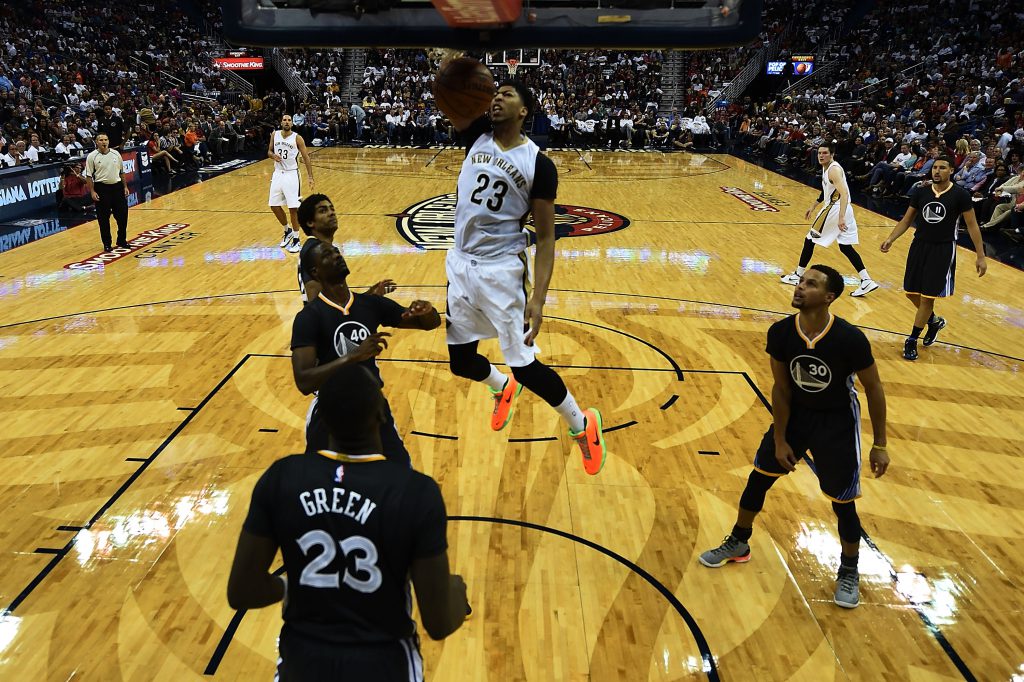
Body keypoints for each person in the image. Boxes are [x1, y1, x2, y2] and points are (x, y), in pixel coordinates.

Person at [227, 364, 469, 681]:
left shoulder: (282, 478)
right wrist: (456, 593)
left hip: (302, 662)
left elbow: (242, 592)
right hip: (384, 663)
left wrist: (287, 588)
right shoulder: (416, 492)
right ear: (382, 416)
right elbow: (438, 623)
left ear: (321, 420)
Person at [438, 72, 607, 476]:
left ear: (524, 110)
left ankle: (582, 425)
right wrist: (447, 69)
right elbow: (452, 101)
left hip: (502, 272)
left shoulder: (539, 164)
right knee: (461, 363)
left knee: (525, 365)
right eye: (494, 94)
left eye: (507, 95)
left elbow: (546, 238)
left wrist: (539, 298)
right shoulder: (475, 134)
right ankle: (501, 388)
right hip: (461, 264)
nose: (497, 99)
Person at [699, 265, 889, 609]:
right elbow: (782, 388)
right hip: (796, 417)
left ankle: (848, 570)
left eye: (810, 284)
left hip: (837, 424)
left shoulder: (849, 339)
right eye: (801, 282)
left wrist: (880, 444)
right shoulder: (781, 332)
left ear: (829, 297)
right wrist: (783, 439)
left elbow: (874, 388)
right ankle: (739, 541)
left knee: (842, 504)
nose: (800, 287)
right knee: (758, 479)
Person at [291, 240, 440, 466]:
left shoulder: (369, 304)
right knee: (324, 484)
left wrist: (427, 311)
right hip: (329, 410)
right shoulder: (309, 317)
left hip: (373, 406)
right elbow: (303, 381)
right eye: (328, 256)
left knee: (400, 476)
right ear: (315, 272)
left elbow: (428, 324)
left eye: (337, 251)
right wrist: (353, 356)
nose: (337, 256)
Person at [880, 156, 988, 360]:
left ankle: (912, 339)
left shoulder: (960, 195)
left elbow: (972, 225)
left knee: (927, 297)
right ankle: (935, 321)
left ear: (951, 171)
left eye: (942, 168)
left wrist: (980, 256)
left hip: (943, 249)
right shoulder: (921, 191)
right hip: (919, 245)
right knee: (911, 293)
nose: (937, 171)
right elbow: (906, 219)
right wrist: (890, 238)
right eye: (935, 167)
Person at [781, 142, 879, 297]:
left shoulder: (833, 170)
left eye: (825, 153)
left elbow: (844, 194)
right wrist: (813, 206)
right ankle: (866, 280)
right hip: (844, 209)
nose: (821, 155)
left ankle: (797, 275)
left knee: (809, 240)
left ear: (832, 154)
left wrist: (840, 217)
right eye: (819, 153)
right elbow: (826, 190)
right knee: (845, 247)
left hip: (836, 210)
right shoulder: (827, 168)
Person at [295, 193, 394, 304]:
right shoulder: (316, 252)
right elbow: (315, 302)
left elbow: (340, 301)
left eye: (332, 209)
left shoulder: (316, 247)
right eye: (323, 211)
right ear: (310, 222)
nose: (331, 213)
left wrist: (369, 295)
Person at [269, 114, 315, 254]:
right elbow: (269, 151)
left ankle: (296, 240)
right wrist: (272, 155)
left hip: (291, 174)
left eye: (289, 120)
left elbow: (306, 157)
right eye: (284, 120)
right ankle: (287, 230)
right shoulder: (274, 134)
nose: (287, 122)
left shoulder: (297, 137)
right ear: (281, 122)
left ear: (292, 124)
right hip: (277, 173)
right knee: (274, 205)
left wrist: (310, 177)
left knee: (293, 208)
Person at [83, 133, 129, 251]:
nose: (104, 142)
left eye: (106, 139)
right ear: (96, 142)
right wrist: (92, 191)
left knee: (123, 216)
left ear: (108, 141)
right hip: (102, 188)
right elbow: (89, 176)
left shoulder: (116, 153)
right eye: (101, 140)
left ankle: (121, 240)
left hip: (117, 187)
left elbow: (122, 172)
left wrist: (125, 187)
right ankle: (107, 244)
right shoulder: (92, 156)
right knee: (103, 219)